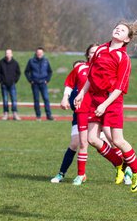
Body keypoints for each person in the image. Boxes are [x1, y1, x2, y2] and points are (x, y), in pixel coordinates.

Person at [74, 18, 137, 192]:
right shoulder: (100, 50)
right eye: (117, 28)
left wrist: (105, 105)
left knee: (117, 140)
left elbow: (119, 88)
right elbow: (91, 76)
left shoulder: (123, 58)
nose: (117, 30)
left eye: (122, 30)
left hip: (113, 101)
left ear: (127, 39)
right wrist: (81, 93)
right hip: (96, 99)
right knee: (92, 139)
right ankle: (119, 163)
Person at [50, 44, 99, 185]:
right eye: (91, 52)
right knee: (75, 143)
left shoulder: (103, 69)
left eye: (97, 51)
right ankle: (61, 174)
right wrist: (65, 98)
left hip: (97, 113)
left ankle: (125, 170)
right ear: (87, 55)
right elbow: (69, 84)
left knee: (109, 142)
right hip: (81, 113)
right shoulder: (81, 68)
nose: (94, 54)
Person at [24, 47, 53, 121]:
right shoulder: (31, 61)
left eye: (41, 53)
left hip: (43, 83)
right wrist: (30, 80)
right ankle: (38, 116)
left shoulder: (46, 61)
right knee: (36, 100)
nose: (39, 54)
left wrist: (47, 80)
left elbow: (50, 71)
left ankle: (49, 115)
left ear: (43, 53)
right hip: (35, 84)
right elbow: (26, 72)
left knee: (46, 99)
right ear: (36, 53)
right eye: (38, 53)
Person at [0, 49, 21, 120]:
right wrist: (1, 81)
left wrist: (14, 80)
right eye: (6, 53)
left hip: (12, 84)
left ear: (12, 54)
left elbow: (18, 73)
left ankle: (15, 114)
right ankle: (6, 114)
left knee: (14, 100)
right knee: (5, 100)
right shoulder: (1, 62)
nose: (8, 55)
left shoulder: (15, 63)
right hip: (4, 85)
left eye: (9, 53)